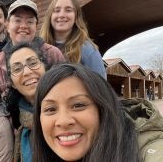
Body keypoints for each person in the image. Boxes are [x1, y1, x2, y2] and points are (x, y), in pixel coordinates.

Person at [33, 63, 163, 162]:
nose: (63, 121)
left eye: (78, 105)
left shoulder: (150, 150)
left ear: (103, 109)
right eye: (50, 109)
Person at [0, 0, 65, 92]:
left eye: (30, 21)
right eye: (17, 20)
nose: (24, 26)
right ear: (7, 26)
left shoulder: (53, 54)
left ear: (36, 26)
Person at [40, 0, 106, 79]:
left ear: (76, 17)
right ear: (50, 16)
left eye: (68, 10)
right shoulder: (39, 47)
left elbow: (100, 86)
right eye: (57, 10)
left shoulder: (87, 49)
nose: (62, 15)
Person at [4, 42, 50, 162]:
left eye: (33, 63)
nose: (27, 72)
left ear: (45, 67)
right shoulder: (14, 120)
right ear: (12, 83)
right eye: (17, 69)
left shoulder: (69, 105)